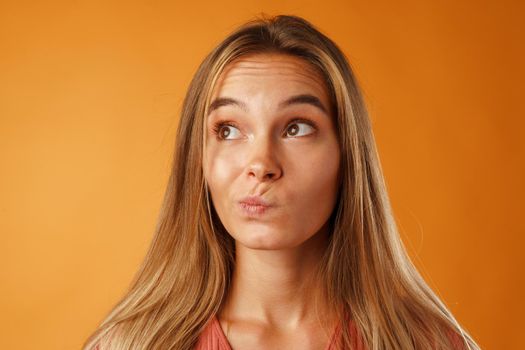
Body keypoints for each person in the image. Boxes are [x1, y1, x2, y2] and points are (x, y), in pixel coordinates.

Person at [83, 14, 480, 350]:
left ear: (348, 157)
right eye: (228, 130)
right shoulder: (129, 343)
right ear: (197, 159)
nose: (261, 165)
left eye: (297, 128)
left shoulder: (429, 343)